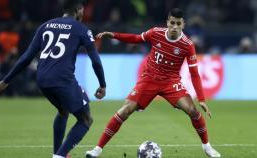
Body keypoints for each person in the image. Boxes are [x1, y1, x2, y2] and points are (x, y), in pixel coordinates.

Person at [86, 8, 221, 158]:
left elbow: (194, 73)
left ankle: (207, 147)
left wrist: (201, 99)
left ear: (183, 24)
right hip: (149, 79)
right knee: (125, 110)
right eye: (172, 23)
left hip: (171, 82)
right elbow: (136, 38)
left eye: (178, 23)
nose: (174, 27)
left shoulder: (187, 45)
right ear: (167, 22)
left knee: (193, 111)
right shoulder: (155, 32)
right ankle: (97, 150)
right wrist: (114, 35)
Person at [0, 0, 106, 158]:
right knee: (86, 119)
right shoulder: (81, 29)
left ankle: (56, 153)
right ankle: (60, 156)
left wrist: (5, 81)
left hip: (42, 79)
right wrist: (102, 84)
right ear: (78, 10)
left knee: (63, 110)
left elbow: (27, 57)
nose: (83, 13)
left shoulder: (45, 26)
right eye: (82, 10)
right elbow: (96, 61)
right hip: (62, 79)